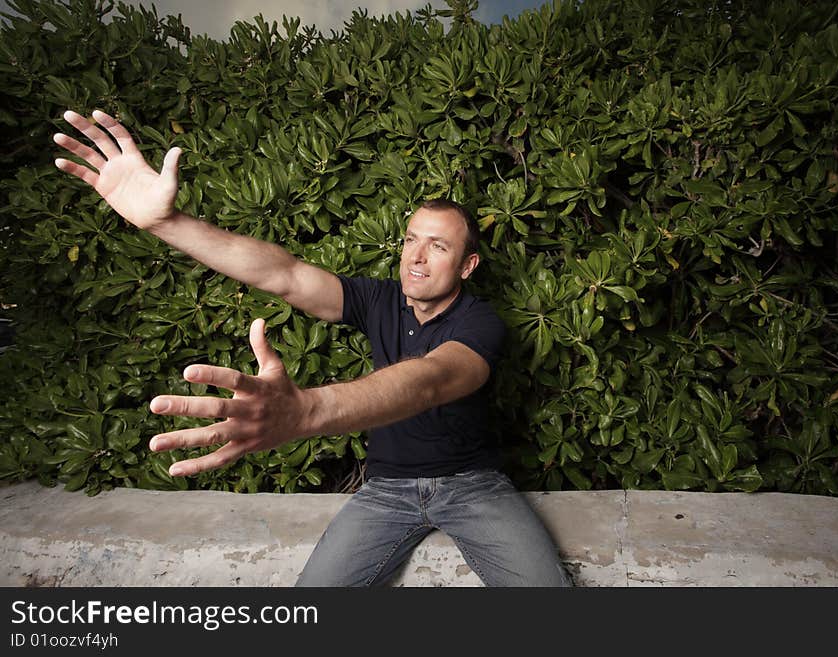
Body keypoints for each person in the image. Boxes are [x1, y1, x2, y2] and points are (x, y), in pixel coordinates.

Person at [53, 109, 572, 587]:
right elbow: (285, 275)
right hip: (385, 490)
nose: (416, 257)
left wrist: (308, 410)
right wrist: (169, 223)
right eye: (411, 239)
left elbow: (430, 379)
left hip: (473, 486)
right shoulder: (378, 299)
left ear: (467, 266)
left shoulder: (481, 322)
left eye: (438, 247)